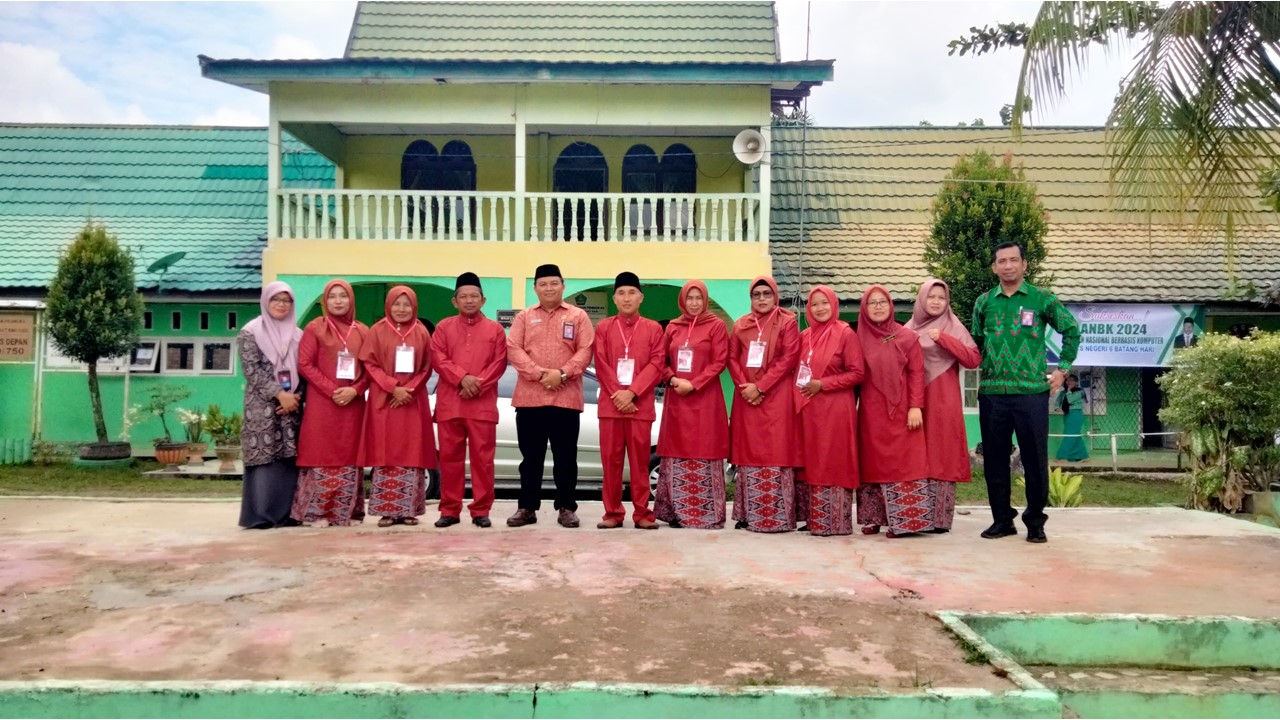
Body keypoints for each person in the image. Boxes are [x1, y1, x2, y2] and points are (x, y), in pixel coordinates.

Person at [973, 241, 1081, 544]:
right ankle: (1002, 520)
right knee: (994, 460)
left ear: (1024, 265)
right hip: (992, 393)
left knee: (1034, 459)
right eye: (1001, 261)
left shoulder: (1042, 298)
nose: (1007, 266)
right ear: (994, 267)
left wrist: (1061, 369)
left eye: (1013, 260)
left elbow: (1071, 329)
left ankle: (1035, 521)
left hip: (1031, 394)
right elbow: (975, 342)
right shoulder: (983, 302)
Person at [505, 264, 595, 528]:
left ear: (563, 285)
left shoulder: (578, 316)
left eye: (554, 283)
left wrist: (563, 374)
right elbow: (514, 348)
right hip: (530, 399)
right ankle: (527, 507)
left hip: (566, 399)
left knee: (566, 457)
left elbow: (585, 350)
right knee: (530, 458)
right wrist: (540, 374)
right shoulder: (524, 316)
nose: (548, 288)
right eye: (543, 284)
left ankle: (566, 507)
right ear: (535, 288)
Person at [430, 272, 508, 528]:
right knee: (449, 459)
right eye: (463, 296)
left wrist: (477, 384)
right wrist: (462, 378)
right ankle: (450, 509)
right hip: (450, 404)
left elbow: (499, 363)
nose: (469, 301)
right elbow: (438, 358)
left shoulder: (495, 330)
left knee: (482, 460)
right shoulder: (443, 327)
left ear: (483, 300)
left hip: (482, 406)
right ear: (455, 301)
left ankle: (481, 510)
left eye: (474, 296)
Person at [905, 278, 982, 533]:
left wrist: (944, 340)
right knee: (916, 454)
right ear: (922, 299)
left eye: (941, 297)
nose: (936, 302)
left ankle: (939, 520)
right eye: (931, 297)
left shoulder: (953, 326)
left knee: (943, 454)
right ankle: (916, 516)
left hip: (944, 400)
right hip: (914, 400)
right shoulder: (908, 329)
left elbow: (973, 359)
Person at [292, 279, 369, 527]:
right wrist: (333, 390)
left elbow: (371, 368)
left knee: (349, 454)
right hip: (322, 404)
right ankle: (317, 513)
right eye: (333, 296)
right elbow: (305, 364)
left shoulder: (362, 331)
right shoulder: (315, 328)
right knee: (321, 452)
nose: (338, 301)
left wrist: (355, 390)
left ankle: (347, 513)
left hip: (353, 406)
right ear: (325, 301)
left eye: (343, 296)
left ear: (351, 300)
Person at [728, 276, 802, 533]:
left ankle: (777, 517)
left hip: (777, 397)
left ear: (775, 296)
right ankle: (747, 514)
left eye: (766, 294)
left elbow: (788, 358)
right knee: (749, 456)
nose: (761, 299)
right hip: (747, 398)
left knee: (775, 454)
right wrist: (745, 387)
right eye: (756, 294)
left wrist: (760, 387)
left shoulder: (788, 322)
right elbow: (732, 359)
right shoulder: (740, 325)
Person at [855, 286, 930, 537]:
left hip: (903, 411)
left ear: (891, 306)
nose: (878, 307)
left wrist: (915, 407)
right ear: (864, 309)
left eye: (882, 302)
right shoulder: (858, 338)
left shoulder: (906, 337)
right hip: (870, 412)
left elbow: (917, 373)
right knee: (872, 463)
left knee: (903, 463)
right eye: (872, 303)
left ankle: (905, 522)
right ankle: (874, 518)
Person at [359, 285, 437, 528]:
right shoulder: (377, 330)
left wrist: (409, 390)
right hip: (385, 401)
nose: (401, 309)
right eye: (397, 303)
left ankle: (409, 510)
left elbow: (427, 367)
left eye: (407, 304)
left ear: (414, 307)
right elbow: (370, 365)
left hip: (412, 403)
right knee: (386, 453)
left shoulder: (422, 332)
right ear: (388, 305)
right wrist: (394, 387)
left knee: (411, 454)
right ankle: (387, 511)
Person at [654, 280, 730, 529]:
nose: (695, 303)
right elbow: (660, 360)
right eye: (690, 298)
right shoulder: (673, 327)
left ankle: (707, 514)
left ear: (705, 299)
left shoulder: (716, 326)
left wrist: (694, 383)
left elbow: (719, 361)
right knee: (678, 451)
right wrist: (672, 378)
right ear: (682, 300)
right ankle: (677, 512)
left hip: (705, 399)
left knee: (705, 449)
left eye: (699, 298)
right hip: (677, 398)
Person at [592, 272, 665, 529]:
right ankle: (612, 513)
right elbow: (600, 363)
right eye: (621, 293)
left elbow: (657, 363)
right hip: (611, 407)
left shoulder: (653, 329)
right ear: (614, 298)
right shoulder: (603, 328)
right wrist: (619, 394)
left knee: (639, 463)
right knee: (610, 463)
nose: (626, 298)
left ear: (641, 297)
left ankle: (643, 513)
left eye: (631, 292)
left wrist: (632, 392)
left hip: (640, 406)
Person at [794, 286, 865, 537]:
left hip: (835, 409)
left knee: (833, 459)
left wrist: (822, 384)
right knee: (812, 459)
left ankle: (835, 520)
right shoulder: (804, 336)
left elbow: (857, 373)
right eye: (814, 304)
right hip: (808, 409)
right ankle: (814, 519)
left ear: (833, 304)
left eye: (825, 303)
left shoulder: (844, 333)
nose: (820, 308)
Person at [238, 280, 304, 530]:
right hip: (262, 406)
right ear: (266, 301)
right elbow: (251, 370)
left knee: (288, 458)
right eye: (276, 299)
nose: (281, 305)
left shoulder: (298, 335)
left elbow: (305, 369)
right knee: (264, 458)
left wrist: (295, 397)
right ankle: (260, 516)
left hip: (292, 407)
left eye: (286, 301)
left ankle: (286, 513)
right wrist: (279, 394)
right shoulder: (250, 332)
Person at [1055, 374, 1090, 462]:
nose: (1069, 382)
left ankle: (1063, 456)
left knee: (1069, 435)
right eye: (1067, 380)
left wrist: (1069, 390)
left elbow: (1070, 399)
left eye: (1071, 380)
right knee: (1074, 435)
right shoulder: (1063, 392)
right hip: (1067, 414)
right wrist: (1057, 407)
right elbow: (1058, 400)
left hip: (1076, 414)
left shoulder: (1079, 391)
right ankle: (1082, 455)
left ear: (1075, 382)